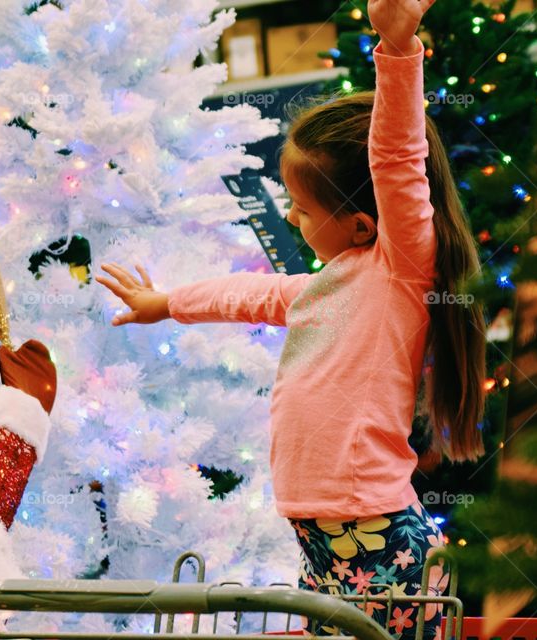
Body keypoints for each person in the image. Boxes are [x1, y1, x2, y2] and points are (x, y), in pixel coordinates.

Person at [96, 1, 485, 637]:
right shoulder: (318, 290)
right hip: (321, 539)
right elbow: (243, 296)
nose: (294, 221)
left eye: (303, 209)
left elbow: (395, 161)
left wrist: (397, 47)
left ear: (362, 222)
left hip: (379, 536)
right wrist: (163, 303)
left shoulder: (400, 272)